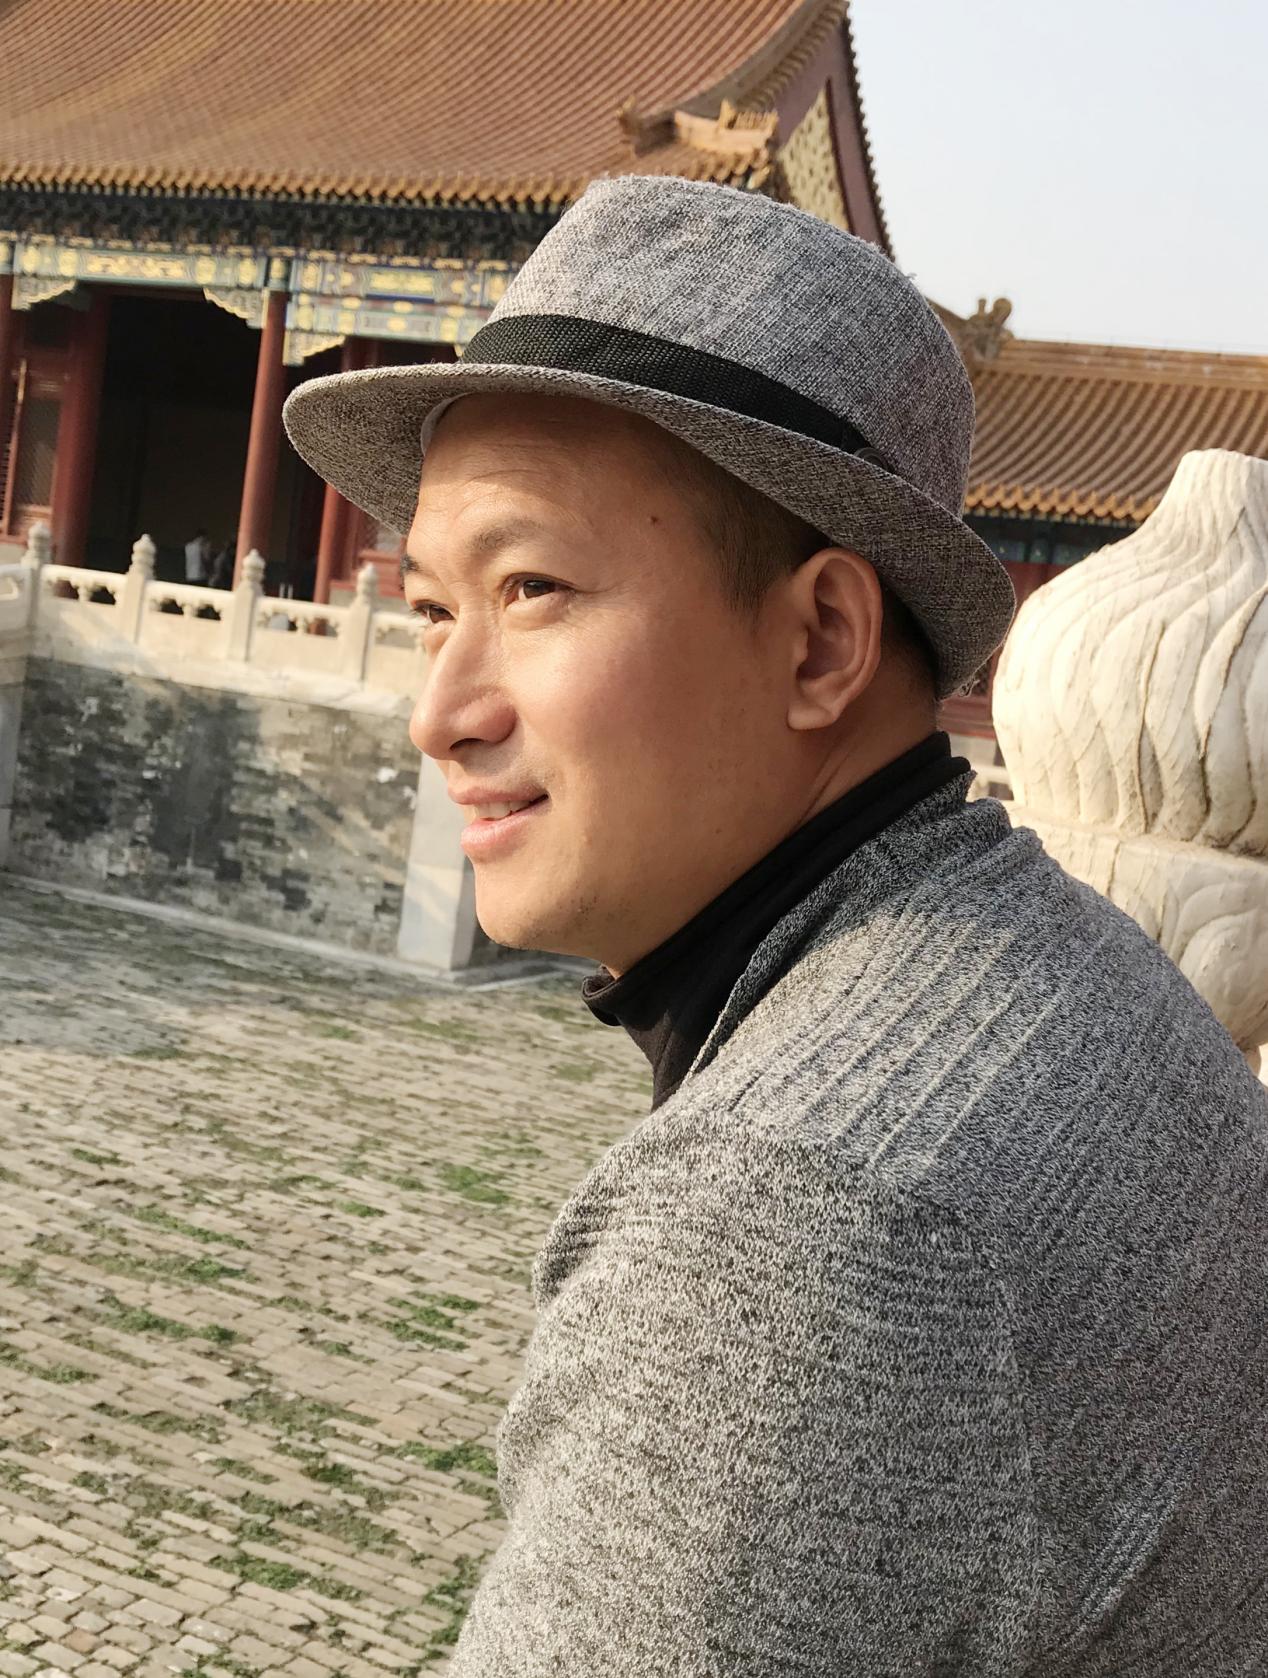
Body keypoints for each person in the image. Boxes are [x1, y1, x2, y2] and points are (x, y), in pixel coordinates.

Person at [283, 178, 1268, 1675]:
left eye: (532, 588)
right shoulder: (1076, 968)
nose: (442, 713)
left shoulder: (803, 1217)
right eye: (433, 608)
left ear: (820, 642)